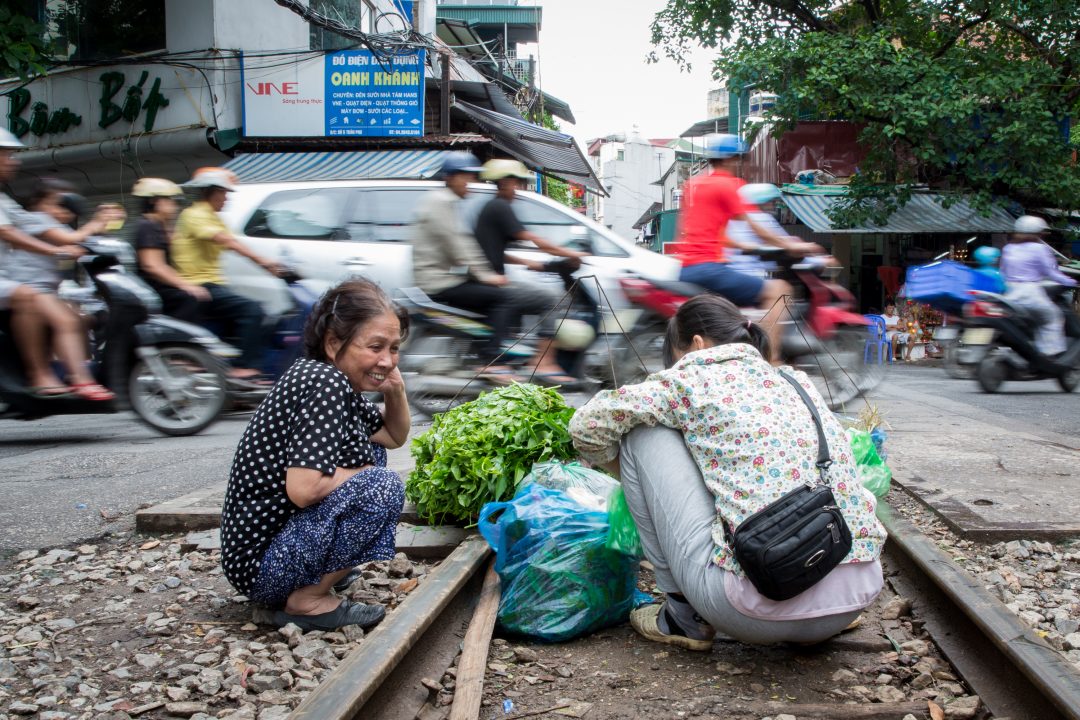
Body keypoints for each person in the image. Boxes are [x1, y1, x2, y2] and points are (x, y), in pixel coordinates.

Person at [569, 294, 885, 649]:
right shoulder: (797, 381)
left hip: (750, 613)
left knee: (641, 434)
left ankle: (681, 617)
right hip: (849, 600)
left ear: (697, 344)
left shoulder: (689, 380)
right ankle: (821, 609)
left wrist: (630, 476)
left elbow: (586, 426)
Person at [220, 278, 411, 631]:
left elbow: (392, 435)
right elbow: (304, 489)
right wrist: (366, 475)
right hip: (262, 566)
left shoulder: (329, 379)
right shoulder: (325, 384)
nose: (386, 359)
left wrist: (395, 388)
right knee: (381, 485)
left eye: (394, 348)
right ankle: (306, 601)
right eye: (375, 347)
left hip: (264, 555)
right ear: (334, 342)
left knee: (373, 455)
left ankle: (314, 577)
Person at [673, 134, 821, 363]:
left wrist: (746, 245)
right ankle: (769, 361)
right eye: (743, 159)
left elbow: (703, 232)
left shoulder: (693, 185)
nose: (746, 165)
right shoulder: (730, 185)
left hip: (688, 268)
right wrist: (794, 245)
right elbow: (758, 227)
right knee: (781, 290)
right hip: (710, 268)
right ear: (733, 159)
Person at [0, 133, 114, 401]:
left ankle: (73, 373)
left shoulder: (7, 202)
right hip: (12, 282)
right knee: (32, 299)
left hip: (8, 279)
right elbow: (8, 233)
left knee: (75, 316)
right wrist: (57, 248)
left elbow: (29, 227)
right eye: (5, 155)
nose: (12, 161)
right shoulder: (31, 213)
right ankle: (44, 375)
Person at [410, 152, 525, 382]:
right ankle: (491, 361)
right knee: (504, 298)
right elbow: (459, 245)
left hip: (443, 278)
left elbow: (463, 244)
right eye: (465, 177)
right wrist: (487, 276)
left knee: (490, 299)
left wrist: (485, 275)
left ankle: (481, 355)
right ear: (451, 177)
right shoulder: (441, 203)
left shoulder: (445, 202)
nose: (469, 184)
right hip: (439, 283)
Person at [474, 158, 589, 384]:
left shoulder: (494, 207)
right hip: (491, 282)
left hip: (490, 277)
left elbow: (494, 250)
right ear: (505, 182)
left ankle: (518, 350)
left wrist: (529, 263)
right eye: (517, 182)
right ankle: (543, 361)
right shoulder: (500, 206)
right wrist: (569, 253)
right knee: (551, 299)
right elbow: (534, 239)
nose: (520, 188)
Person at [171, 168, 283, 381]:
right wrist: (264, 263)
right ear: (212, 192)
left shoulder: (214, 218)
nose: (227, 199)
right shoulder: (194, 215)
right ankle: (244, 369)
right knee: (253, 311)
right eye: (224, 193)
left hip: (213, 283)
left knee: (267, 318)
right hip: (199, 284)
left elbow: (236, 242)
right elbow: (228, 242)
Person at [1000, 215, 1077, 356]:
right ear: (1037, 232)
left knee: (1035, 321)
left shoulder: (1008, 248)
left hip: (1009, 294)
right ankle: (1050, 355)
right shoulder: (1040, 249)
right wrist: (1072, 282)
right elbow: (1052, 273)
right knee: (1053, 317)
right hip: (1030, 293)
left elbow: (1003, 272)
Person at [132, 177, 207, 322]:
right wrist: (186, 285)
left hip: (163, 285)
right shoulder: (148, 225)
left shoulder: (160, 225)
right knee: (191, 299)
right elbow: (152, 265)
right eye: (170, 200)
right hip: (154, 287)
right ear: (154, 201)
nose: (175, 205)